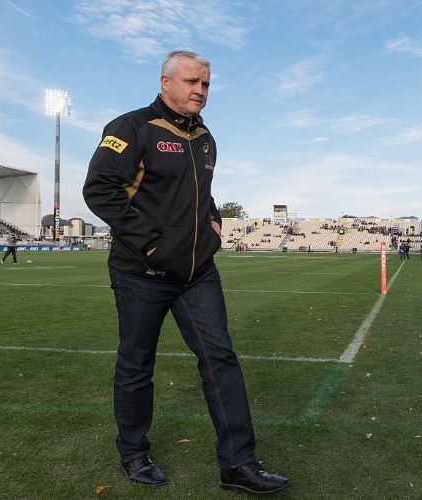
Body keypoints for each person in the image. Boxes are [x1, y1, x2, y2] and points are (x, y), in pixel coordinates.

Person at [82, 50, 289, 495]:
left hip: (197, 273)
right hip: (142, 272)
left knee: (221, 359)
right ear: (165, 82)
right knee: (137, 364)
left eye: (206, 84)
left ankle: (238, 465)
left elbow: (200, 195)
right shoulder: (131, 127)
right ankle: (134, 454)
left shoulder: (206, 137)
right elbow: (99, 189)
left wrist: (213, 225)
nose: (200, 90)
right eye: (193, 81)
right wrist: (152, 242)